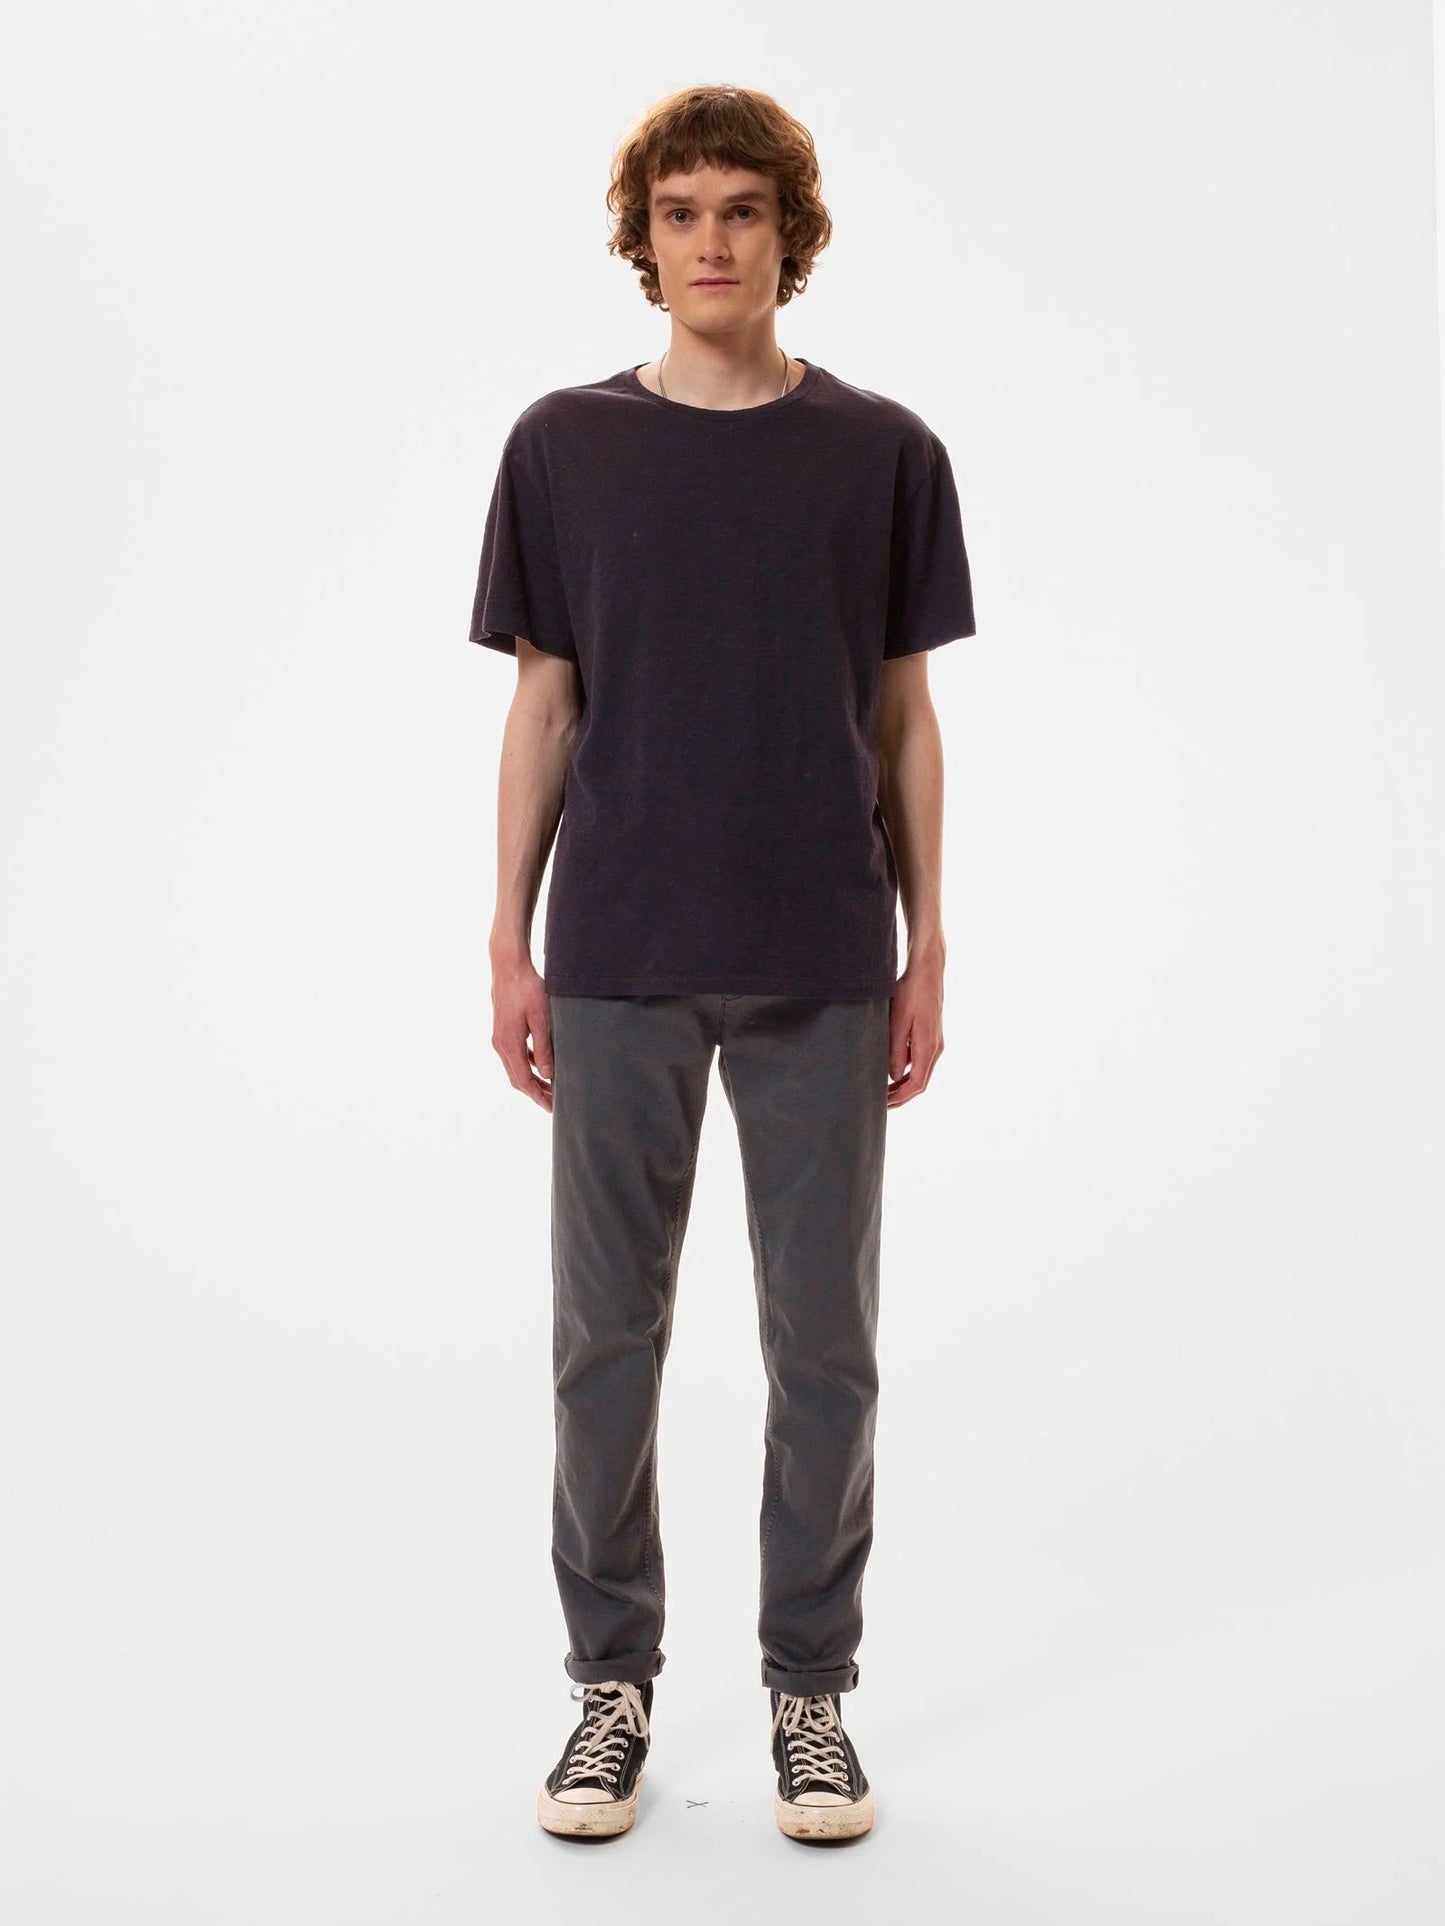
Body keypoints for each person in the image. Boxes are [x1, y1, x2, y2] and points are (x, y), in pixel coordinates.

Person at [467, 83, 976, 1844]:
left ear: (788, 234)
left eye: (741, 210)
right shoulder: (561, 445)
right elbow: (544, 704)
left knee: (823, 1344)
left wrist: (926, 940)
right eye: (679, 212)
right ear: (642, 238)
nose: (709, 241)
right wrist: (509, 935)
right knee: (603, 1340)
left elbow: (904, 717)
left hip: (822, 950)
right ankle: (609, 1683)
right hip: (614, 949)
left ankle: (809, 1692)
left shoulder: (884, 452)